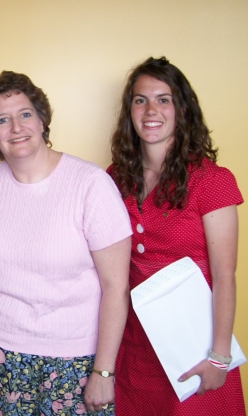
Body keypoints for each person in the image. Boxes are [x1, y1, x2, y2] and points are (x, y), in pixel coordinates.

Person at [0, 71, 132, 415]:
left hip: (71, 364)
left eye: (25, 114)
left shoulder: (90, 185)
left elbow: (116, 286)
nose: (16, 127)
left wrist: (103, 371)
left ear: (42, 120)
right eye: (2, 119)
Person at [108, 57, 246, 415]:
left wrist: (219, 357)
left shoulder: (212, 181)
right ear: (129, 111)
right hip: (134, 347)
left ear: (181, 109)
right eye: (140, 100)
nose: (151, 110)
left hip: (194, 347)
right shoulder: (115, 177)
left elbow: (224, 275)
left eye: (163, 99)